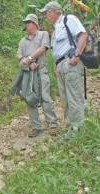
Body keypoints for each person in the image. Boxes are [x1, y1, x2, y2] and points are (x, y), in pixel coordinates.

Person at [40, 2, 88, 133]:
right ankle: (70, 127)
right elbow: (57, 49)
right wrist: (56, 65)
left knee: (73, 96)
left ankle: (77, 128)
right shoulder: (56, 29)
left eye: (46, 13)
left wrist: (76, 56)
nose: (45, 16)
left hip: (70, 62)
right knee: (65, 97)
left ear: (54, 11)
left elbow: (83, 35)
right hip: (61, 64)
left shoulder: (69, 19)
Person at [17, 14, 59, 137]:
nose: (26, 24)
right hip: (28, 73)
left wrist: (30, 58)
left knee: (45, 96)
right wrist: (28, 61)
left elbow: (43, 48)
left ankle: (53, 123)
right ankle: (36, 126)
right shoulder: (22, 41)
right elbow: (19, 56)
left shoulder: (43, 34)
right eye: (25, 22)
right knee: (29, 98)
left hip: (41, 70)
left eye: (28, 22)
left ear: (34, 23)